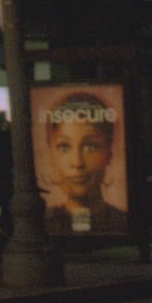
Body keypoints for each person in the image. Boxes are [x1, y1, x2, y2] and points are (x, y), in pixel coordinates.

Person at [40, 99, 127, 235]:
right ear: (51, 154)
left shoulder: (124, 222)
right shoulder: (40, 225)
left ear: (108, 153)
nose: (77, 163)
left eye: (90, 146)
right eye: (64, 147)